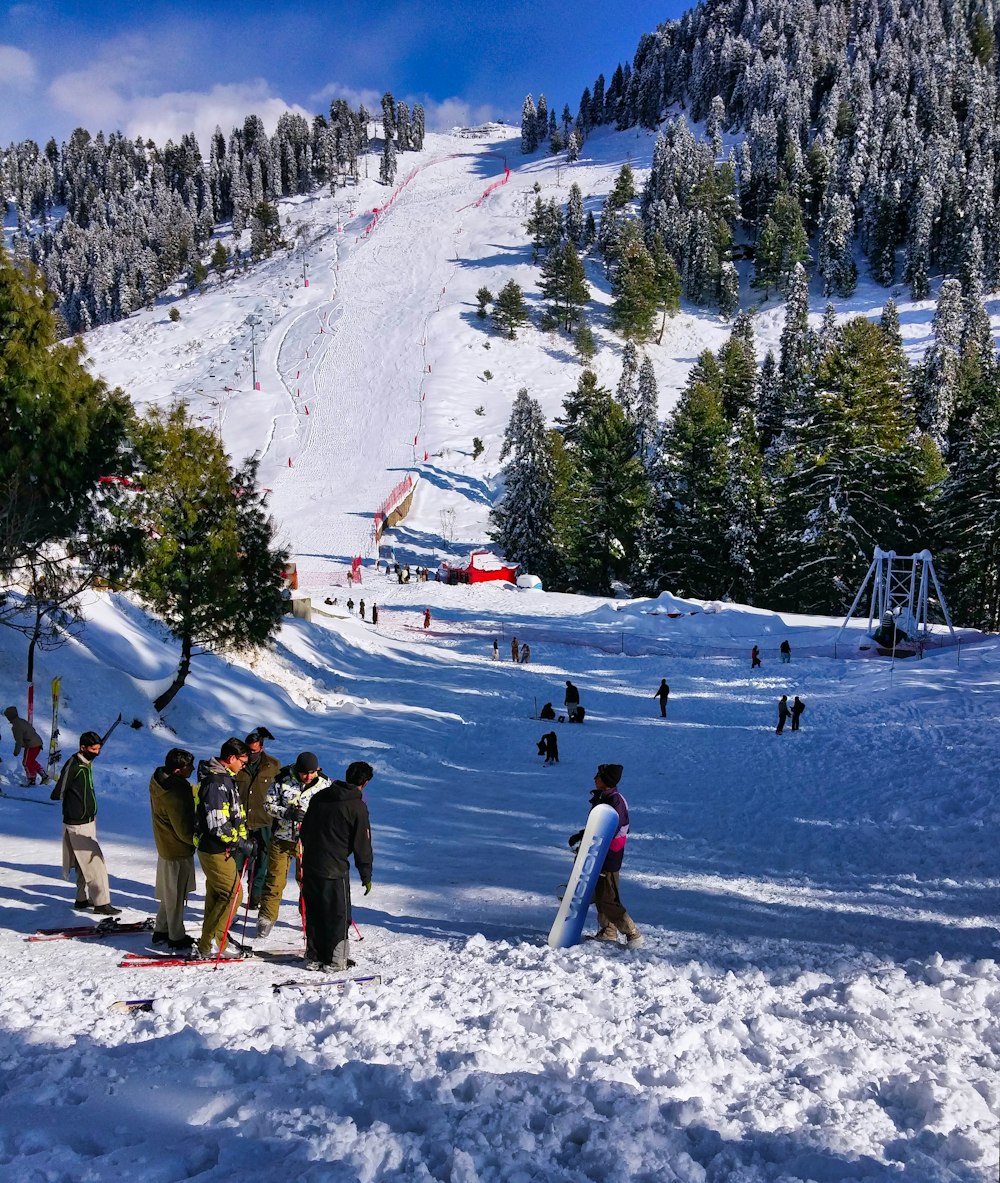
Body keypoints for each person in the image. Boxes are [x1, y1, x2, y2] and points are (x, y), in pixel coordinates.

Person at [299, 760, 374, 971]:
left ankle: (314, 955)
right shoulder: (357, 807)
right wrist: (366, 874)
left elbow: (304, 830)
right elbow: (362, 844)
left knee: (315, 910)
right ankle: (335, 959)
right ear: (365, 783)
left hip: (311, 862)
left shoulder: (320, 796)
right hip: (335, 867)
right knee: (338, 914)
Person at [257, 752, 332, 940]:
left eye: (312, 773)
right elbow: (267, 805)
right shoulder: (282, 780)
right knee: (275, 880)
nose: (308, 777)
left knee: (307, 881)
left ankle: (309, 918)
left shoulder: (324, 784)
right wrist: (286, 813)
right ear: (297, 771)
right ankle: (266, 918)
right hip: (281, 839)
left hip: (308, 841)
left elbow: (331, 810)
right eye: (304, 773)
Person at [568, 764, 642, 948]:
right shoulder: (605, 798)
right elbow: (597, 825)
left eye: (598, 775)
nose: (595, 778)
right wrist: (582, 835)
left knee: (607, 897)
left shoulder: (615, 802)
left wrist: (589, 843)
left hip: (608, 856)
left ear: (606, 780)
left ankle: (632, 933)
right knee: (600, 891)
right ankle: (608, 931)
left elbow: (609, 829)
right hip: (599, 853)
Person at [193, 738, 251, 959]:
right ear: (231, 758)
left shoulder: (225, 779)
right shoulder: (215, 783)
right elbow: (217, 823)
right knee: (233, 893)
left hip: (222, 848)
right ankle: (217, 941)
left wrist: (244, 837)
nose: (244, 766)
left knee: (218, 895)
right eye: (243, 762)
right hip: (216, 848)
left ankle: (208, 942)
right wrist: (239, 841)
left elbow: (232, 813)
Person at [52, 731, 120, 915]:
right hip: (77, 823)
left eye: (99, 749)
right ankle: (101, 903)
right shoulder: (74, 765)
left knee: (82, 864)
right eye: (93, 749)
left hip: (87, 821)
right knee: (94, 863)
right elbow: (58, 792)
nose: (97, 753)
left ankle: (81, 898)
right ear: (82, 748)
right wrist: (75, 805)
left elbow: (89, 759)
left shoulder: (85, 762)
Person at [149, 747, 197, 949]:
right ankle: (176, 936)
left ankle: (161, 928)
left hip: (165, 846)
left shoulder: (159, 780)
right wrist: (199, 840)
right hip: (177, 849)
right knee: (176, 895)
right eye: (189, 767)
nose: (192, 770)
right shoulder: (175, 793)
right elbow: (183, 829)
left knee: (169, 893)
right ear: (178, 770)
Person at [235, 728, 281, 909]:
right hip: (241, 822)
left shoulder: (273, 765)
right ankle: (234, 897)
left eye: (253, 751)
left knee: (262, 862)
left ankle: (255, 897)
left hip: (264, 820)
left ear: (261, 748)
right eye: (247, 750)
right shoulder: (239, 764)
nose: (250, 754)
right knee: (237, 861)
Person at [4, 705, 48, 785]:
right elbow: (32, 729)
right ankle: (43, 774)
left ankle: (31, 779)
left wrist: (16, 752)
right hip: (37, 742)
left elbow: (19, 741)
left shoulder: (16, 726)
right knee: (30, 761)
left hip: (31, 745)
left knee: (26, 762)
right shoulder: (22, 721)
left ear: (9, 716)